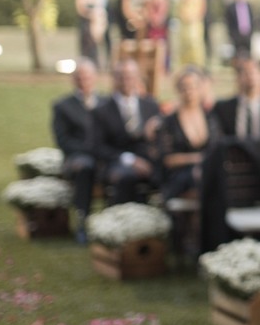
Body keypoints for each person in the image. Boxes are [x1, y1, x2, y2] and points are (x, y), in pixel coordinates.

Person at [92, 59, 162, 205]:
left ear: (137, 78)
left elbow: (160, 137)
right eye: (121, 76)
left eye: (129, 76)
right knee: (126, 177)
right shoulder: (101, 110)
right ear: (114, 79)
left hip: (148, 158)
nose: (125, 80)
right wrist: (130, 160)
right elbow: (97, 147)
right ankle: (124, 219)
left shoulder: (151, 105)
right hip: (117, 161)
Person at [50, 58, 103, 243]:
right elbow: (64, 140)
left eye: (87, 76)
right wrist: (90, 150)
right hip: (78, 157)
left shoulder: (106, 102)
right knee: (85, 167)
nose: (84, 81)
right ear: (73, 79)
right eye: (79, 77)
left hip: (105, 156)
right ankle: (83, 221)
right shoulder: (63, 106)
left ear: (94, 77)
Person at [155, 66, 220, 204]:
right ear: (178, 90)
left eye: (193, 87)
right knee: (197, 176)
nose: (189, 91)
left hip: (207, 171)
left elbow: (217, 148)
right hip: (179, 174)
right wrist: (197, 159)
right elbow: (167, 159)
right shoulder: (169, 122)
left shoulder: (210, 118)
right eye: (184, 87)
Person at [175, 0, 207, 70]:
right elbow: (180, 12)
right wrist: (186, 17)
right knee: (185, 48)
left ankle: (197, 68)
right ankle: (184, 68)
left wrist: (193, 17)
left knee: (195, 47)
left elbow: (201, 11)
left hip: (195, 27)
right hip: (185, 28)